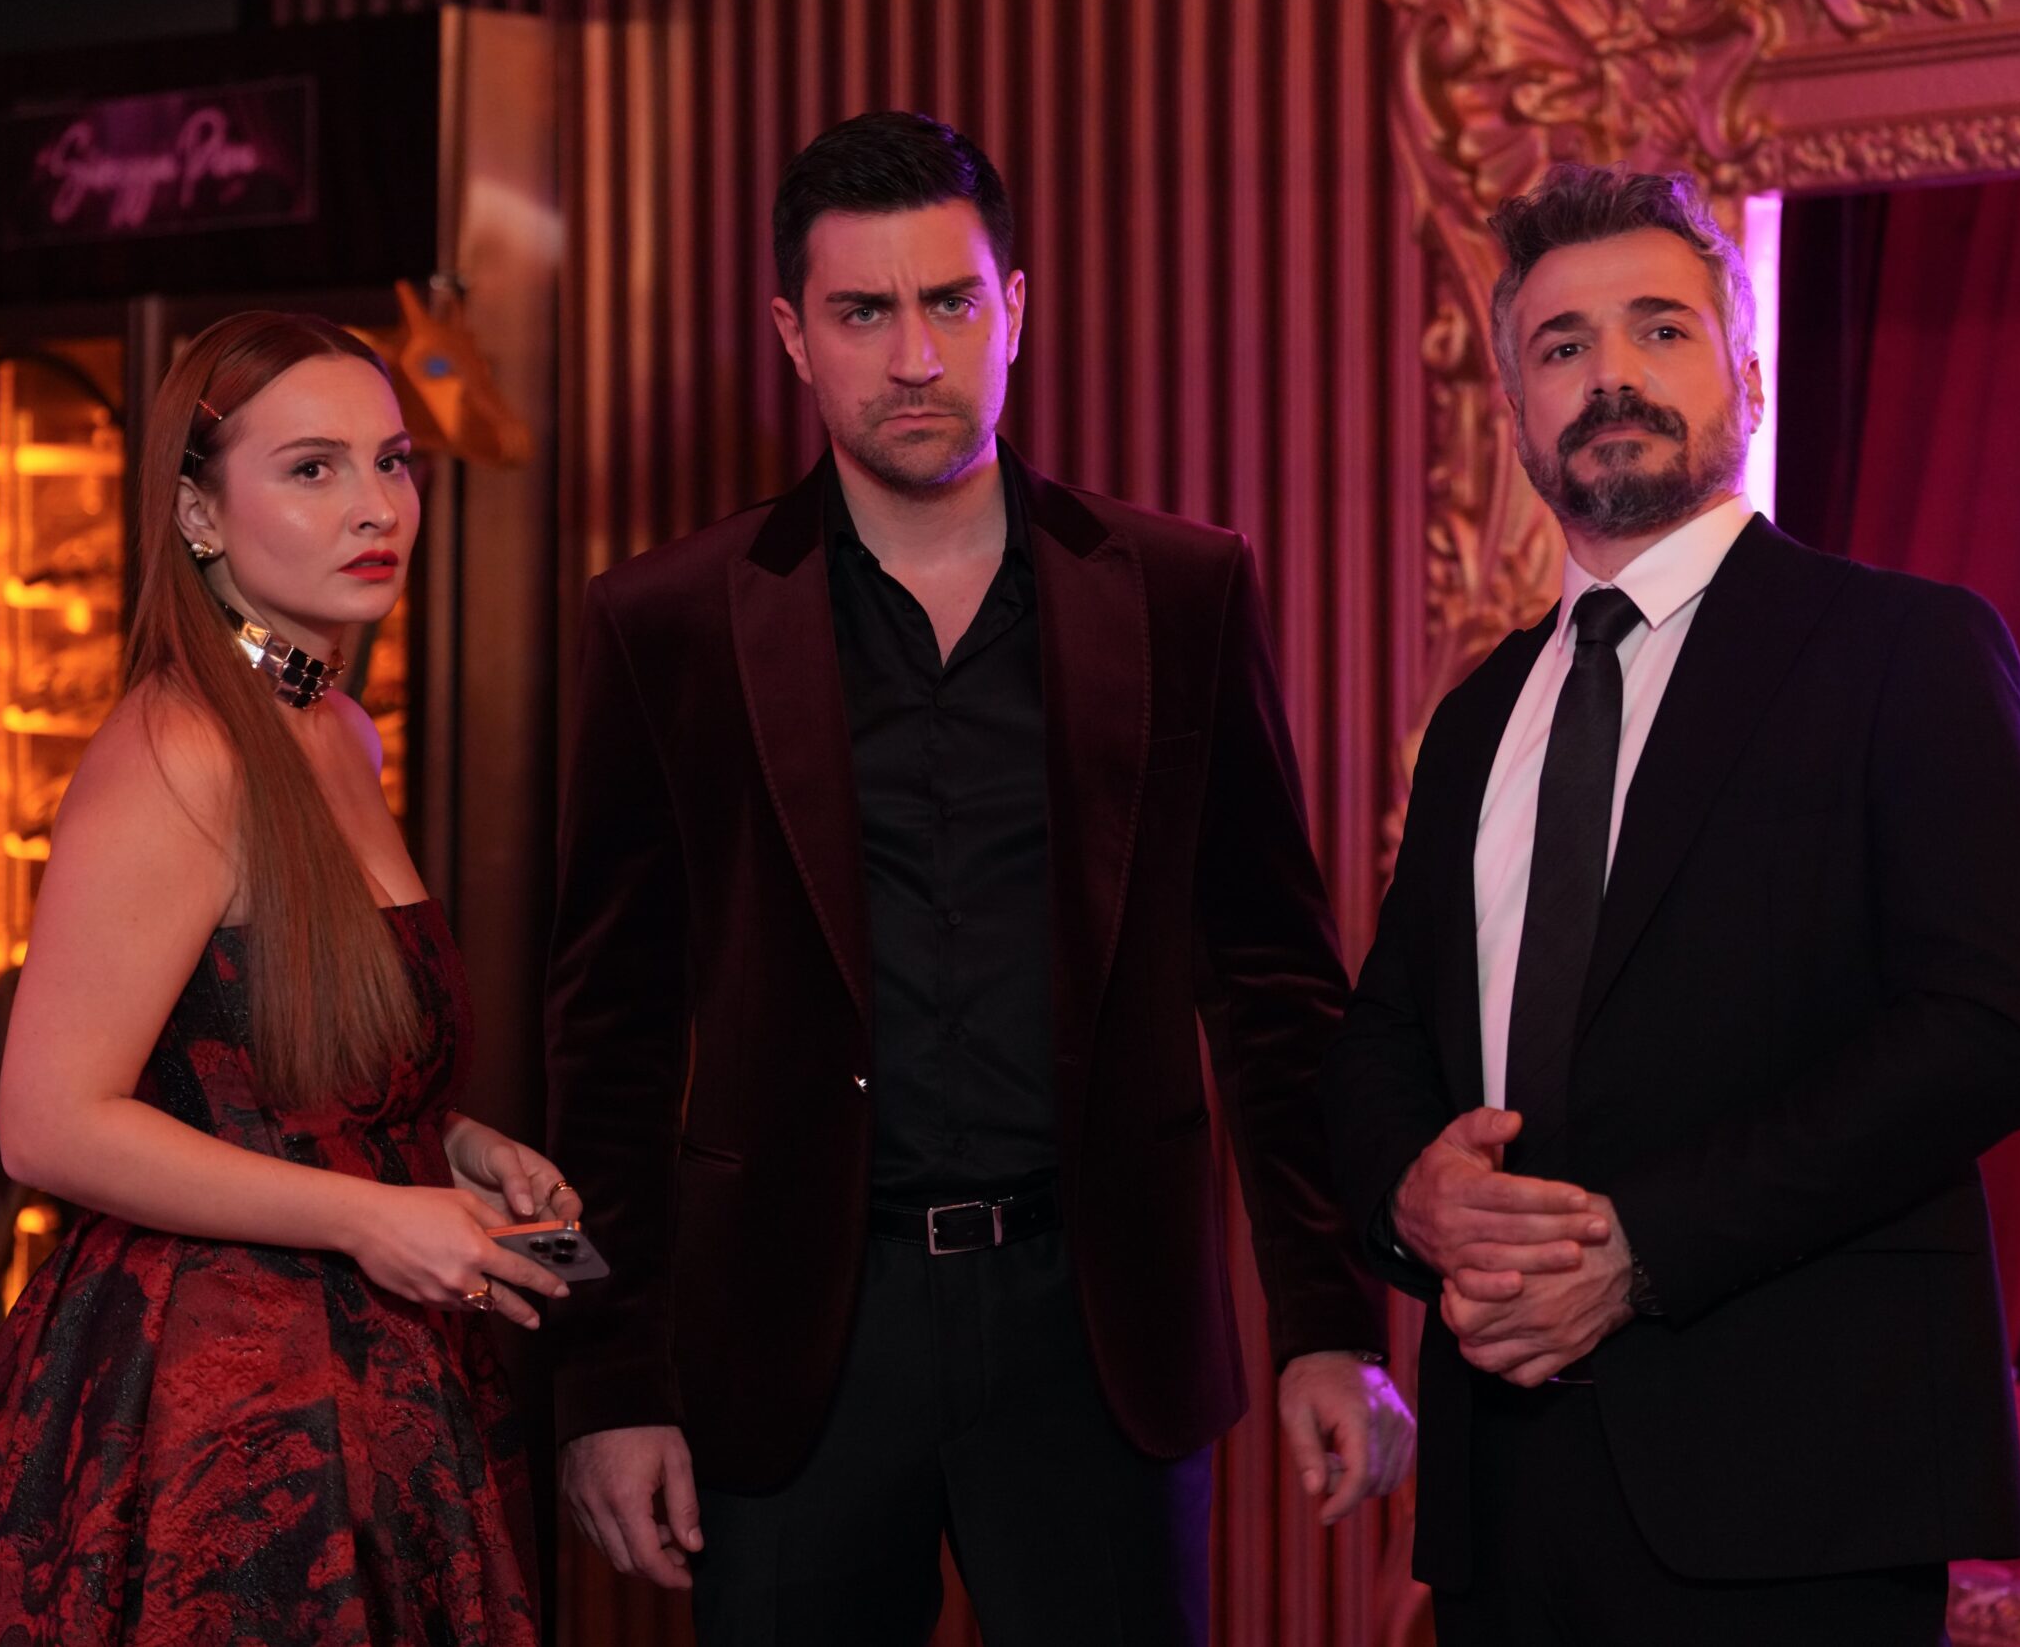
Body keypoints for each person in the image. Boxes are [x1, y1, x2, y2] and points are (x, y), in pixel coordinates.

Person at [547, 111, 1410, 1645]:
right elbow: (604, 1036)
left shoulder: (1178, 592)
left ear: (1015, 305)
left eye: (950, 302)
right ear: (792, 335)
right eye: (862, 312)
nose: (914, 357)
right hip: (794, 1343)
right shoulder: (666, 622)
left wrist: (1329, 1322)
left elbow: (1273, 983)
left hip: (1097, 1327)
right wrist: (607, 1379)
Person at [1320, 163, 2020, 1644]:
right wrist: (1407, 1195)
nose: (1611, 374)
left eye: (1659, 330)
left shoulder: (1905, 649)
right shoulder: (1476, 718)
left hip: (1803, 1487)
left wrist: (1642, 1247)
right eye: (1562, 346)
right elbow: (1382, 1039)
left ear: (1748, 375)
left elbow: (1992, 1028)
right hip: (1506, 1500)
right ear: (1515, 411)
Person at [0, 312, 574, 1647]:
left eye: (391, 462)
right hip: (216, 1415)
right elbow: (50, 1122)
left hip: (371, 1380)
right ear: (199, 514)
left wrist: (448, 1144)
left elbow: (257, 1059)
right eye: (313, 468)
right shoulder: (183, 748)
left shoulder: (333, 724)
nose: (377, 506)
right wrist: (371, 1215)